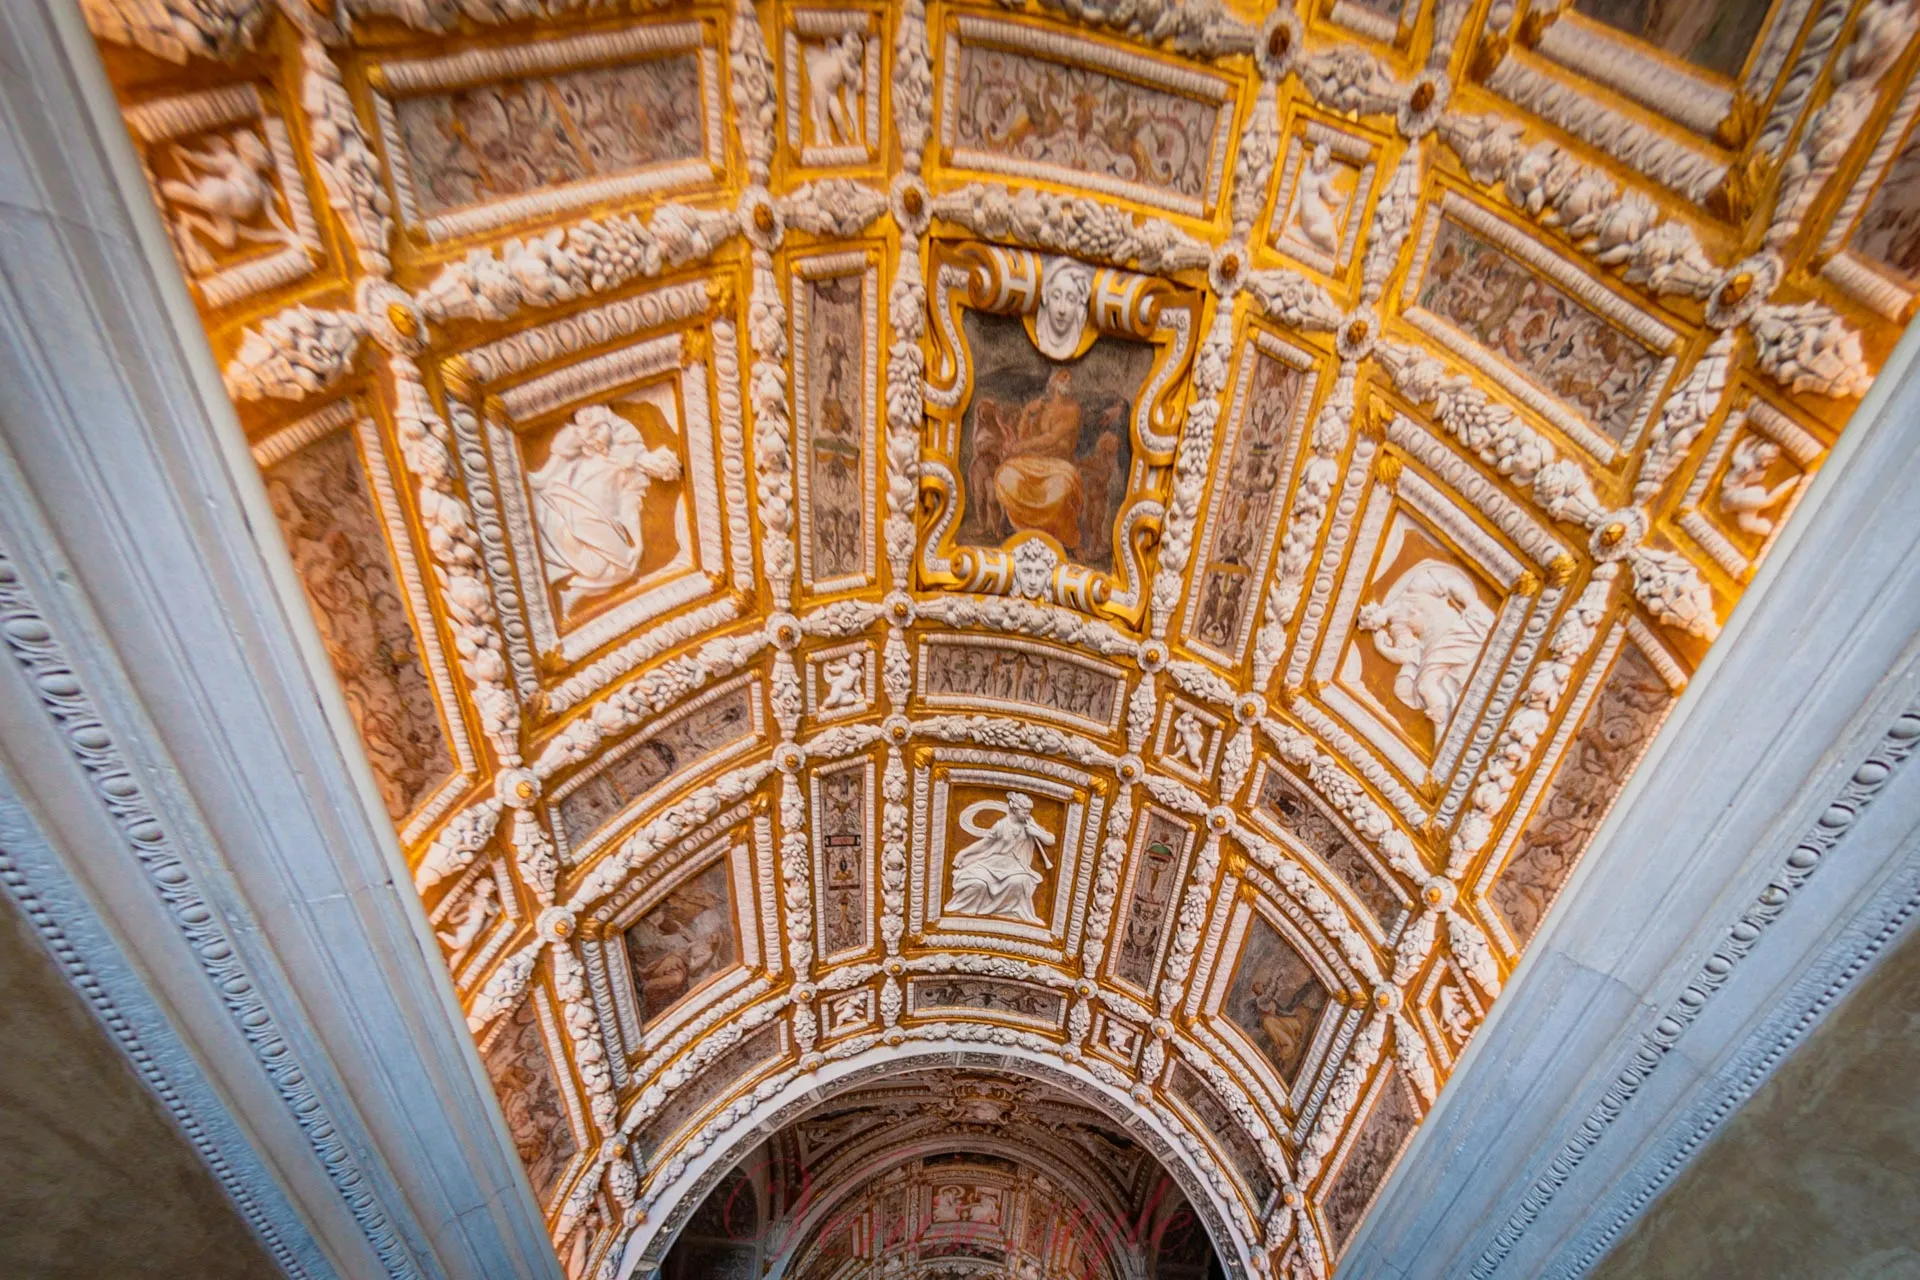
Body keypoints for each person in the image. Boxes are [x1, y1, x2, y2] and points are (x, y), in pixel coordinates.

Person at [946, 792, 1053, 924]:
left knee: (1020, 881)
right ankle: (966, 912)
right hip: (994, 863)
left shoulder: (1029, 822)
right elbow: (984, 843)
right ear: (1014, 808)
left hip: (1015, 866)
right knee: (978, 883)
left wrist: (1036, 832)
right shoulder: (1001, 825)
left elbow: (1050, 840)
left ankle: (1010, 912)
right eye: (1025, 811)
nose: (1027, 814)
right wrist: (963, 853)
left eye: (1029, 811)